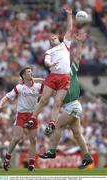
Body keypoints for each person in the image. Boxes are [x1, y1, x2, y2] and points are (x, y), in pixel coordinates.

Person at [39, 31, 93, 169]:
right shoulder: (56, 78)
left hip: (73, 105)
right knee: (77, 133)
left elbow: (78, 57)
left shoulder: (70, 70)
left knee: (57, 126)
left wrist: (80, 42)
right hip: (73, 106)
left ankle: (52, 151)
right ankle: (87, 157)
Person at [31, 6, 73, 130]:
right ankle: (33, 118)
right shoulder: (50, 51)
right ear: (50, 42)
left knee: (58, 103)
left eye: (54, 37)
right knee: (44, 99)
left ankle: (52, 123)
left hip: (65, 77)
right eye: (51, 39)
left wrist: (69, 15)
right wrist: (50, 65)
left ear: (58, 39)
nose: (52, 38)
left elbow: (70, 29)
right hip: (53, 75)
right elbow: (46, 61)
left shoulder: (65, 45)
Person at [0, 66, 44, 171]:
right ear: (23, 75)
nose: (31, 73)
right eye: (28, 72)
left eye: (31, 72)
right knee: (17, 138)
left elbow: (48, 83)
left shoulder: (38, 86)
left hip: (33, 115)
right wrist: (0, 104)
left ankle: (31, 164)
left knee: (33, 140)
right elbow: (7, 97)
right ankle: (7, 159)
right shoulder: (19, 87)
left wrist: (35, 79)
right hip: (22, 115)